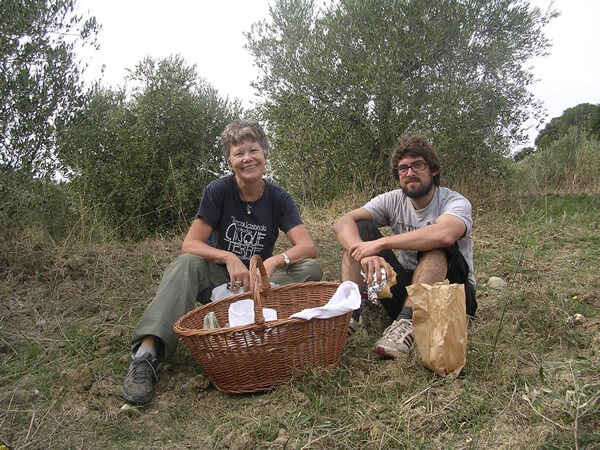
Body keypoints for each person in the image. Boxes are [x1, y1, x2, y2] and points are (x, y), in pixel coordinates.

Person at [122, 119, 323, 405]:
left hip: (258, 285)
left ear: (265, 153)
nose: (247, 159)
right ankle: (147, 353)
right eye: (238, 153)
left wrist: (273, 262)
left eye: (253, 150)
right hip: (219, 281)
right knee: (186, 263)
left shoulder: (279, 198)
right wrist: (229, 257)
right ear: (230, 161)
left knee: (310, 269)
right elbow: (189, 244)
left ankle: (267, 325)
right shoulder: (218, 191)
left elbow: (307, 247)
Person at [332, 135, 476, 358]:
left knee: (436, 244)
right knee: (359, 229)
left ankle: (407, 322)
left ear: (433, 170)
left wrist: (380, 243)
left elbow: (445, 234)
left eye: (418, 165)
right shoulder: (392, 200)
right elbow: (342, 222)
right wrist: (362, 253)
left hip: (451, 294)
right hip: (410, 287)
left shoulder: (454, 201)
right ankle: (351, 313)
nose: (410, 173)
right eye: (403, 169)